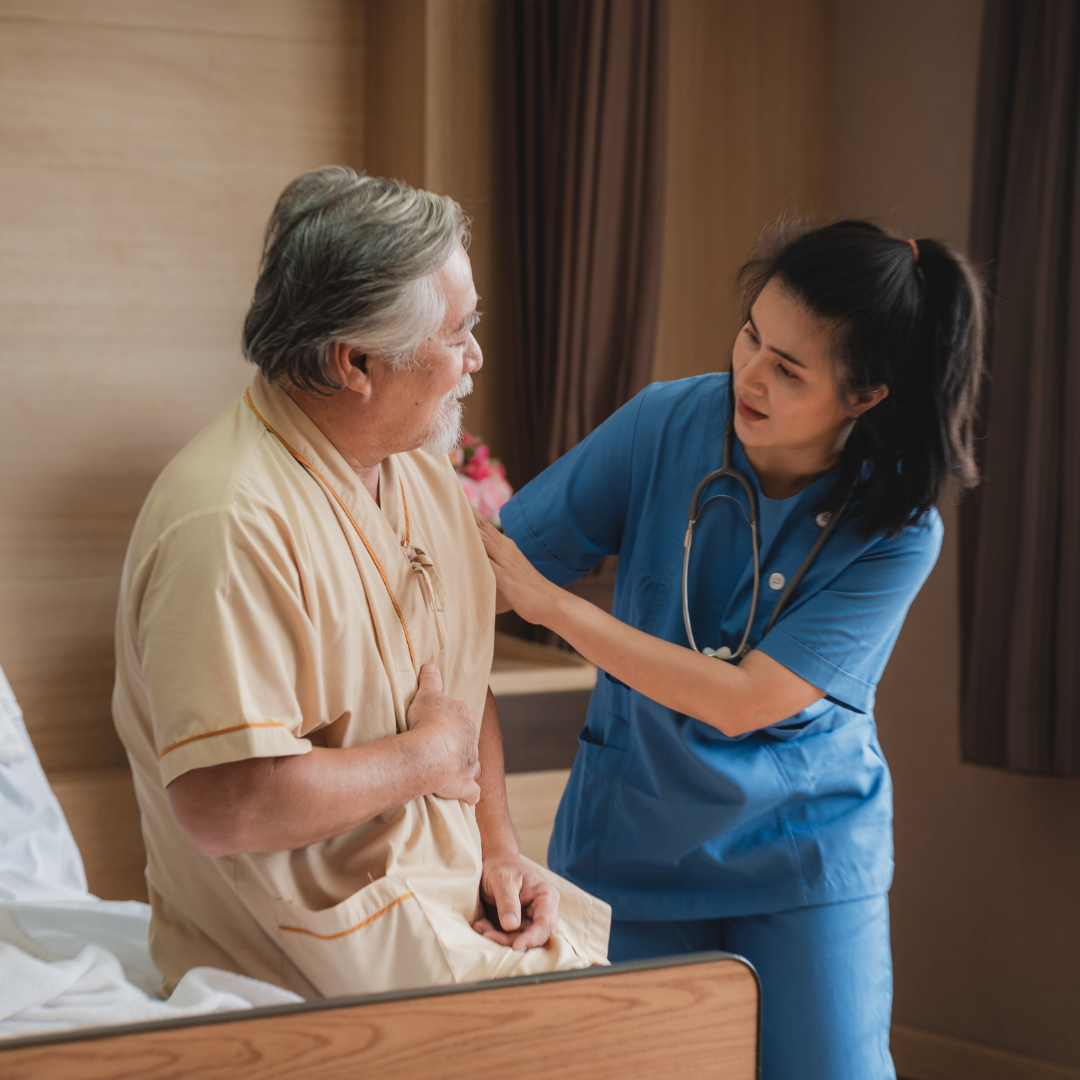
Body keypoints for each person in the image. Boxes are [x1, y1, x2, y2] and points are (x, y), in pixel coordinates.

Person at [474, 221, 985, 1080]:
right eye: (753, 333)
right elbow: (495, 568)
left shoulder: (898, 529)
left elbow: (743, 699)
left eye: (789, 370)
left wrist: (552, 607)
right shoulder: (666, 423)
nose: (748, 372)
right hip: (631, 836)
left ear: (863, 397)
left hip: (804, 852)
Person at [112, 167, 609, 1001]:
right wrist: (423, 758)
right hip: (301, 957)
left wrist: (498, 851)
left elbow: (460, 688)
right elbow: (225, 805)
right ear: (356, 363)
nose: (476, 357)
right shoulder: (229, 520)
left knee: (661, 1019)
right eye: (459, 333)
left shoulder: (423, 477)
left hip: (443, 903)